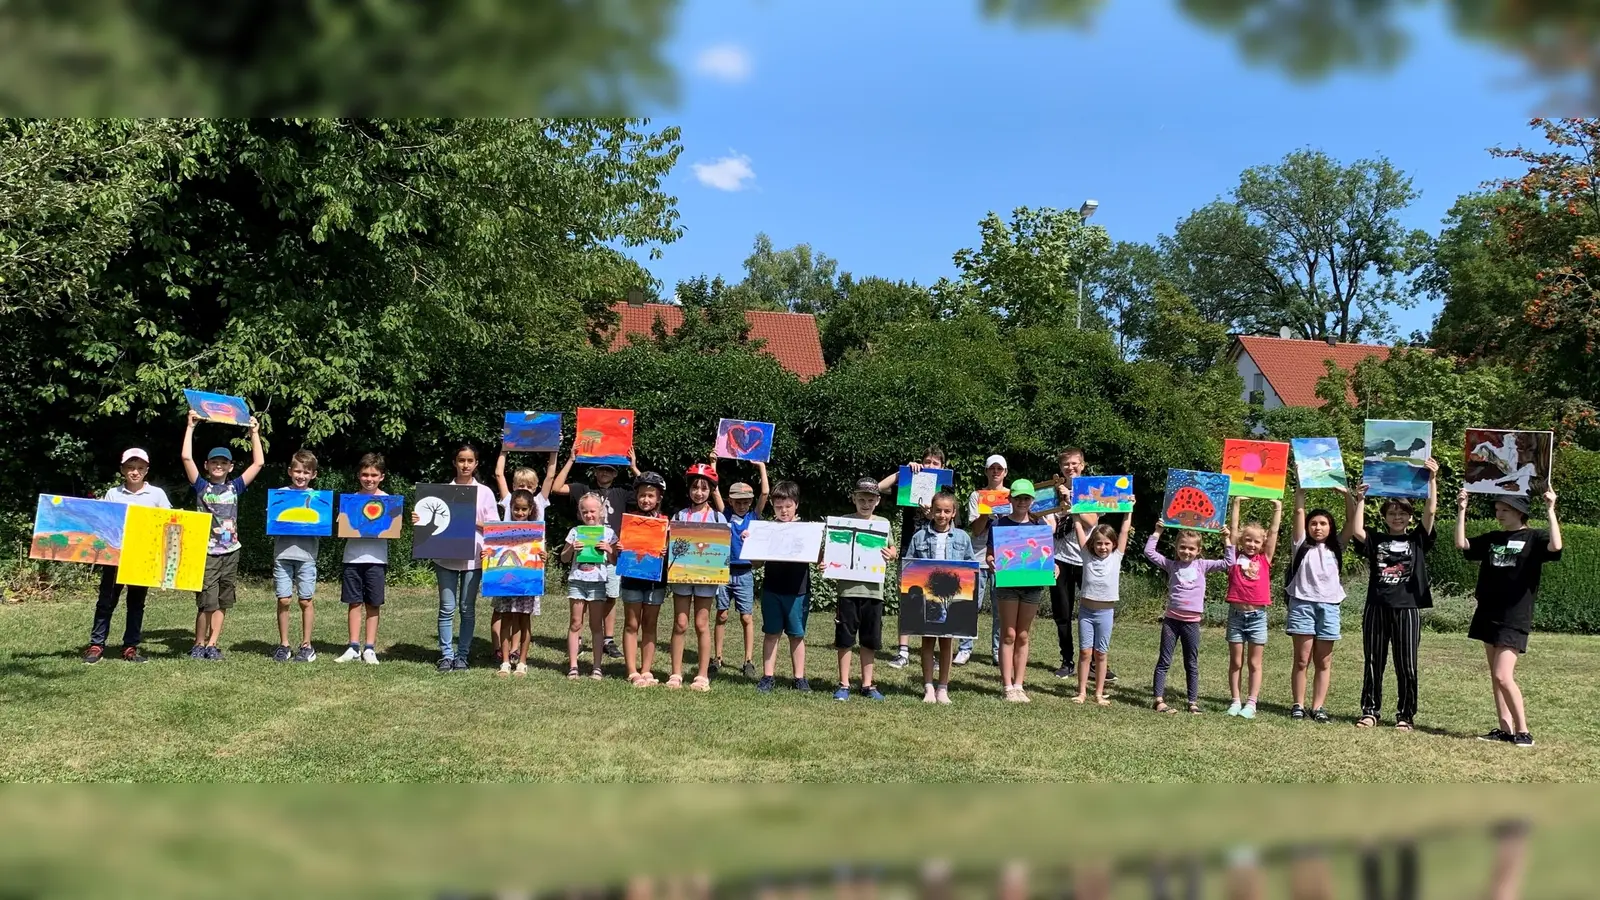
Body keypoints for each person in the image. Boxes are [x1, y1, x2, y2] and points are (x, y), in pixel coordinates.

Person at [1456, 486, 1563, 748]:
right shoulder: (1494, 538)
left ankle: (1523, 732)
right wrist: (1461, 510)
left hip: (1515, 615)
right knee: (1495, 675)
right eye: (1497, 510)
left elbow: (1556, 546)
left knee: (1504, 675)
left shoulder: (1534, 538)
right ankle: (1505, 729)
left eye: (1504, 510)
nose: (1499, 514)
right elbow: (1462, 544)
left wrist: (1551, 510)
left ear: (1519, 511)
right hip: (1488, 613)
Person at [1350, 458, 1438, 730]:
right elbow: (1356, 530)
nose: (1397, 517)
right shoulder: (1376, 538)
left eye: (1402, 513)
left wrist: (1432, 480)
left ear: (1410, 517)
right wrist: (1360, 499)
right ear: (1385, 517)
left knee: (1407, 664)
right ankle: (1370, 711)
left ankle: (1405, 715)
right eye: (1392, 513)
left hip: (1408, 607)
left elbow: (1431, 514)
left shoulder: (1417, 540)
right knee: (1374, 661)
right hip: (1377, 606)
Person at [181, 411, 264, 661]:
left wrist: (254, 433)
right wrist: (190, 427)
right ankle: (198, 643)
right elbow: (186, 456)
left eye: (223, 463)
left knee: (223, 601)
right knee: (206, 601)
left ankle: (212, 644)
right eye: (214, 462)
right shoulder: (201, 486)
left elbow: (258, 463)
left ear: (230, 467)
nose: (218, 466)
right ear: (206, 466)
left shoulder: (235, 487)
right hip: (207, 552)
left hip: (231, 553)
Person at [551, 450, 641, 661]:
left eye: (609, 469)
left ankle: (608, 640)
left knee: (610, 596)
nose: (604, 473)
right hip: (585, 556)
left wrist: (633, 466)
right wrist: (571, 459)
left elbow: (647, 491)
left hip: (608, 549)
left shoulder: (622, 491)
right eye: (601, 469)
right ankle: (578, 637)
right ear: (595, 471)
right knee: (581, 596)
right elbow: (556, 488)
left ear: (615, 473)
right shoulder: (584, 489)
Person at [417, 442, 500, 673]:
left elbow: (494, 527)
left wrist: (468, 520)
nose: (465, 465)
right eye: (461, 460)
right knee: (446, 607)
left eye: (470, 461)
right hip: (445, 557)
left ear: (476, 464)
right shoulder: (442, 491)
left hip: (473, 558)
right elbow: (427, 523)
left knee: (467, 608)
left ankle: (462, 655)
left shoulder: (484, 492)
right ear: (455, 462)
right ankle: (446, 655)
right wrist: (418, 518)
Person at [84, 448, 172, 664]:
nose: (135, 472)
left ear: (147, 470)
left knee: (136, 603)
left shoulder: (157, 494)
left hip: (142, 559)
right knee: (106, 601)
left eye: (140, 468)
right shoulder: (113, 494)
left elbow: (169, 522)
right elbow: (104, 524)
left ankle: (130, 647)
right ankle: (96, 645)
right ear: (123, 470)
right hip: (115, 558)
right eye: (131, 468)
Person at [1146, 521, 1233, 714]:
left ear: (1199, 550)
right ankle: (1158, 699)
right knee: (1164, 660)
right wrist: (1157, 531)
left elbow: (1229, 562)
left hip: (1191, 623)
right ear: (1176, 547)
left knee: (1191, 663)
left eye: (1191, 548)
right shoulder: (1172, 565)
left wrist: (1226, 538)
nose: (1186, 551)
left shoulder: (1202, 566)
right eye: (1183, 547)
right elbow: (1150, 553)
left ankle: (1192, 701)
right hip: (1171, 621)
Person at [1286, 485, 1356, 722]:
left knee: (1323, 661)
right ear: (1307, 526)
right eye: (1313, 523)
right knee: (1302, 659)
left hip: (1329, 607)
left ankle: (1318, 707)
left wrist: (1348, 495)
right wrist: (1300, 491)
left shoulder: (1336, 546)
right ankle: (1298, 705)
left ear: (1330, 527)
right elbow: (1297, 512)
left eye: (1323, 523)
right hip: (1302, 605)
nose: (1318, 527)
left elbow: (1352, 522)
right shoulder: (1300, 545)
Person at [987, 479, 1057, 703]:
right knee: (1008, 634)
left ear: (1032, 500)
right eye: (1018, 498)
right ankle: (1007, 686)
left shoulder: (1039, 527)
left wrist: (1053, 567)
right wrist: (991, 562)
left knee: (1023, 635)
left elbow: (1046, 556)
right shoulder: (999, 524)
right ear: (1010, 499)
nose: (1022, 502)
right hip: (1007, 585)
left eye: (1026, 498)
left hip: (1032, 587)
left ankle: (1020, 684)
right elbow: (990, 554)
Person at [905, 490, 977, 704]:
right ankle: (928, 686)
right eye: (938, 511)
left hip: (951, 598)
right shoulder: (919, 537)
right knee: (927, 642)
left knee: (947, 643)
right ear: (931, 511)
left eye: (947, 511)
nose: (942, 515)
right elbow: (909, 566)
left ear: (954, 513)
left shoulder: (963, 538)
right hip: (927, 599)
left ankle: (943, 687)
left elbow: (970, 567)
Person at [880, 446, 947, 670]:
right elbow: (879, 488)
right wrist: (902, 473)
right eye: (926, 461)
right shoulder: (911, 479)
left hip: (936, 550)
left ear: (942, 467)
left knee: (934, 601)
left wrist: (933, 518)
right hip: (911, 548)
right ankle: (903, 652)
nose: (929, 466)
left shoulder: (946, 488)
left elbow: (952, 521)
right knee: (908, 600)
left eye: (935, 463)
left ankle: (932, 653)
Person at [832, 477, 898, 701]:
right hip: (847, 592)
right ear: (853, 499)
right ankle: (843, 684)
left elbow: (892, 548)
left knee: (870, 639)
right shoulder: (843, 521)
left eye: (870, 499)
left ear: (878, 501)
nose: (866, 503)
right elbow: (832, 552)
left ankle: (868, 685)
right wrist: (826, 562)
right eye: (861, 498)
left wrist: (892, 553)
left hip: (873, 592)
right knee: (845, 639)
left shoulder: (883, 523)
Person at [1050, 447, 1112, 682]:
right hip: (1060, 560)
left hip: (1088, 559)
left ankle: (1096, 662)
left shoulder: (1092, 490)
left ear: (1083, 465)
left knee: (1094, 612)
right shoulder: (1051, 492)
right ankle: (1067, 661)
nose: (1071, 468)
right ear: (1061, 467)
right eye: (1066, 464)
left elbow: (1092, 520)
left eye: (1075, 463)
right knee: (1062, 613)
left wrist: (1072, 499)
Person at [668, 461, 727, 691]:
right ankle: (675, 673)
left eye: (704, 488)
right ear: (688, 489)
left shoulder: (718, 518)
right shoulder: (680, 515)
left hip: (707, 578)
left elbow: (724, 548)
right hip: (682, 576)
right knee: (680, 623)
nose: (699, 492)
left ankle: (702, 675)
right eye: (695, 487)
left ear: (711, 490)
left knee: (702, 624)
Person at [492, 448, 556, 658]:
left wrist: (554, 450)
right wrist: (504, 449)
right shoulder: (509, 498)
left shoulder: (539, 500)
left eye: (529, 486)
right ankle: (499, 649)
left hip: (530, 563)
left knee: (522, 612)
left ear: (535, 487)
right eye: (521, 485)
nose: (525, 489)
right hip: (506, 561)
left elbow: (550, 475)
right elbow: (499, 474)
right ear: (513, 486)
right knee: (502, 609)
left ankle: (515, 650)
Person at [1224, 497, 1282, 719]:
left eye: (1256, 542)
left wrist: (1277, 508)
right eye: (1248, 540)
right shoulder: (1234, 557)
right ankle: (1235, 700)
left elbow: (1274, 533)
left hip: (1257, 617)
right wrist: (1236, 504)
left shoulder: (1264, 558)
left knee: (1254, 662)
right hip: (1236, 616)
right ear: (1241, 541)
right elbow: (1234, 530)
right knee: (1236, 661)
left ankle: (1251, 703)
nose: (1251, 544)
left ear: (1262, 543)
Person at [755, 480, 814, 693]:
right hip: (772, 589)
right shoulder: (766, 529)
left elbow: (816, 557)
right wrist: (750, 544)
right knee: (771, 633)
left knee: (797, 635)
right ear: (772, 505)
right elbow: (756, 563)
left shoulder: (807, 529)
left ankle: (799, 678)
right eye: (779, 506)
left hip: (798, 591)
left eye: (788, 506)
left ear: (796, 504)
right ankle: (767, 676)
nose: (784, 510)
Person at [1072, 509, 1132, 705]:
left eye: (1107, 543)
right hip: (1086, 612)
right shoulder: (1087, 555)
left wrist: (1128, 512)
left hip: (1105, 613)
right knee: (1085, 653)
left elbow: (1124, 532)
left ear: (1113, 544)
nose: (1102, 547)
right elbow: (1079, 528)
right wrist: (1075, 515)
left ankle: (1098, 693)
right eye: (1099, 543)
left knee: (1101, 653)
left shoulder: (1116, 557)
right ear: (1092, 544)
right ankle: (1081, 692)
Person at [334, 453, 389, 665]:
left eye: (374, 475)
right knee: (354, 602)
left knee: (373, 603)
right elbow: (344, 529)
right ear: (359, 475)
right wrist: (342, 520)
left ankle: (370, 648)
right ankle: (353, 646)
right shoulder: (350, 501)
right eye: (365, 474)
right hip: (352, 558)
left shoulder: (388, 501)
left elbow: (393, 528)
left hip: (377, 559)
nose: (369, 479)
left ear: (381, 476)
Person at [716, 460, 768, 680]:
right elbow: (714, 490)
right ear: (730, 501)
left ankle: (748, 660)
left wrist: (761, 468)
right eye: (738, 501)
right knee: (722, 615)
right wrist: (713, 465)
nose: (742, 505)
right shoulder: (725, 515)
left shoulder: (753, 517)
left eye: (746, 501)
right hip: (723, 571)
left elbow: (765, 492)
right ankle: (716, 658)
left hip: (745, 572)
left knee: (747, 617)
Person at [271, 449, 322, 663]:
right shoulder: (281, 494)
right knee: (283, 599)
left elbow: (322, 525)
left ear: (313, 475)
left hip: (307, 556)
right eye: (298, 471)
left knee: (305, 600)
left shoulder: (318, 500)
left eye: (306, 472)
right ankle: (284, 645)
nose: (301, 476)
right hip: (282, 555)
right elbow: (274, 521)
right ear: (290, 471)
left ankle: (307, 645)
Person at [559, 492, 617, 679]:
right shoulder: (575, 532)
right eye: (585, 512)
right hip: (577, 581)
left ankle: (597, 666)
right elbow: (563, 557)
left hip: (598, 583)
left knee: (596, 625)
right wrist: (571, 548)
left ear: (601, 512)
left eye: (593, 511)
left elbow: (616, 561)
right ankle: (573, 665)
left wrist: (609, 549)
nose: (589, 515)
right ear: (580, 513)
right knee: (576, 623)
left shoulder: (609, 533)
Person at [621, 471, 670, 686]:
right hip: (632, 577)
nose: (646, 500)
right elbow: (618, 551)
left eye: (651, 496)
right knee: (632, 623)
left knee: (650, 624)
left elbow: (673, 553)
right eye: (642, 495)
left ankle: (647, 669)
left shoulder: (666, 522)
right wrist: (620, 547)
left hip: (655, 580)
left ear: (659, 497)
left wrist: (666, 551)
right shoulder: (629, 520)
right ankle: (632, 670)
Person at [960, 454, 1009, 666]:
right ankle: (964, 648)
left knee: (1001, 609)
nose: (996, 472)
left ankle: (998, 651)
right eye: (992, 468)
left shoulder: (1013, 496)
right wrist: (987, 513)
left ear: (1005, 472)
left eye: (1000, 468)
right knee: (971, 606)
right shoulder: (976, 496)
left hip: (1005, 560)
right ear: (987, 471)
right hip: (979, 558)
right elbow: (977, 531)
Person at [494, 489, 544, 678]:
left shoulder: (537, 532)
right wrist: (487, 557)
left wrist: (544, 557)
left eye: (524, 509)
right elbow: (495, 553)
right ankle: (505, 661)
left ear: (530, 509)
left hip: (527, 584)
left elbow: (539, 556)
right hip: (505, 584)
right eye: (516, 509)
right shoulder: (501, 531)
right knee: (506, 619)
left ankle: (522, 662)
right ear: (511, 508)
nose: (520, 513)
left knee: (524, 620)